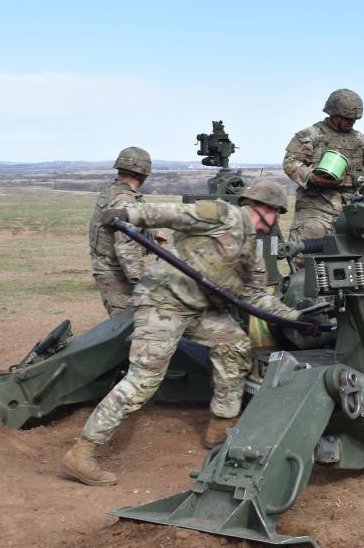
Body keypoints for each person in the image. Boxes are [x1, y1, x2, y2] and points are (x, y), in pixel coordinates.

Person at [60, 180, 304, 486]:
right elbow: (173, 214)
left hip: (199, 310)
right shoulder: (220, 214)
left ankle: (221, 426)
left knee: (235, 345)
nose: (277, 221)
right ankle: (82, 453)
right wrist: (129, 214)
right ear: (266, 209)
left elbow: (257, 297)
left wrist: (298, 317)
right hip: (163, 302)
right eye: (278, 214)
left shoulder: (249, 249)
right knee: (144, 379)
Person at [283, 88, 364, 262]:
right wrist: (314, 177)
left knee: (353, 261)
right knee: (305, 259)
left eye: (354, 119)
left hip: (352, 211)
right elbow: (290, 163)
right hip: (316, 207)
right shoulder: (311, 136)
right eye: (346, 118)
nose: (350, 122)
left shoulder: (361, 140)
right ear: (333, 113)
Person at [89, 147, 156, 316]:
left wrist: (153, 235)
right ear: (144, 172)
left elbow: (118, 228)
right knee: (128, 329)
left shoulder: (113, 192)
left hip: (110, 269)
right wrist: (143, 284)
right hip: (118, 275)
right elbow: (126, 246)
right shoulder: (125, 200)